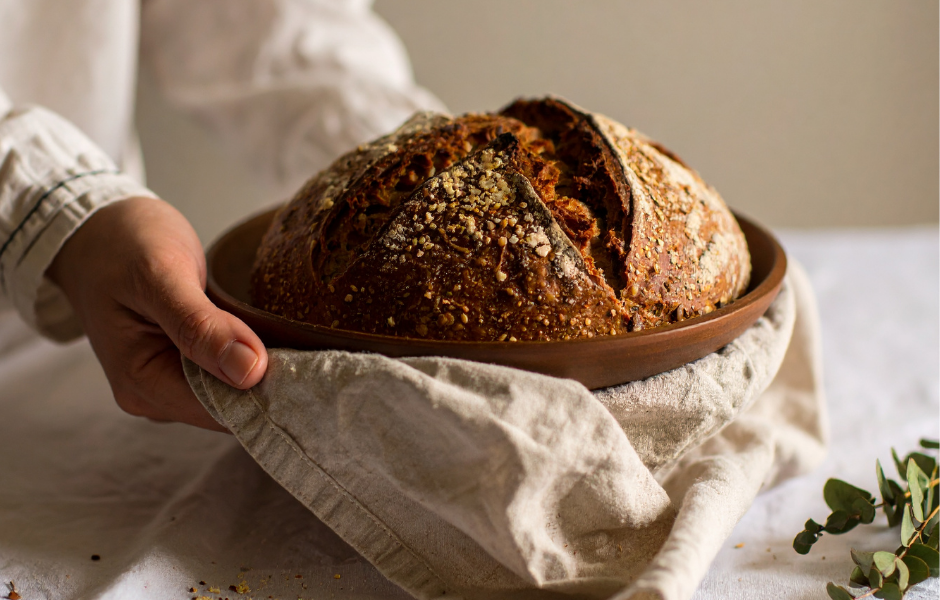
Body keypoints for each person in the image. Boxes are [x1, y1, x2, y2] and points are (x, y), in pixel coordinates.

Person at [0, 0, 444, 431]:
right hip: (97, 298)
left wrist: (400, 158)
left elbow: (266, 26)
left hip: (85, 345)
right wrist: (61, 210)